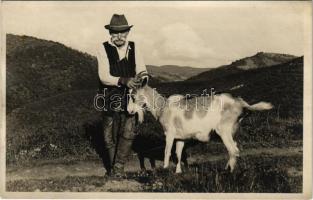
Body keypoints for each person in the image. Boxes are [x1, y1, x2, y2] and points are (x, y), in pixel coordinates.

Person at [96, 14, 148, 176]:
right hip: (109, 95)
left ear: (128, 32)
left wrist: (142, 80)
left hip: (130, 97)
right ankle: (112, 167)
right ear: (110, 33)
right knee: (108, 134)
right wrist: (125, 80)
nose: (119, 37)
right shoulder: (102, 48)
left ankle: (118, 169)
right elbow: (104, 76)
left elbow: (142, 69)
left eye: (122, 33)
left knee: (128, 132)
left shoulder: (134, 47)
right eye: (115, 33)